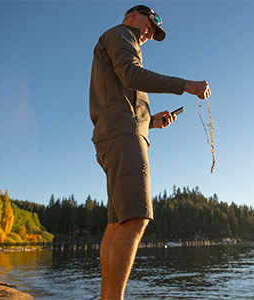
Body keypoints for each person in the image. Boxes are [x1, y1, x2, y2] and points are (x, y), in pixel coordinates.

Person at [89, 5, 211, 300]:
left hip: (117, 135)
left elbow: (123, 94)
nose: (149, 34)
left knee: (117, 222)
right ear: (134, 16)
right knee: (136, 218)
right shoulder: (121, 34)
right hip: (122, 138)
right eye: (150, 26)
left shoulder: (121, 41)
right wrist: (186, 85)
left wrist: (151, 121)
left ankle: (108, 296)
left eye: (154, 32)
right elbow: (131, 76)